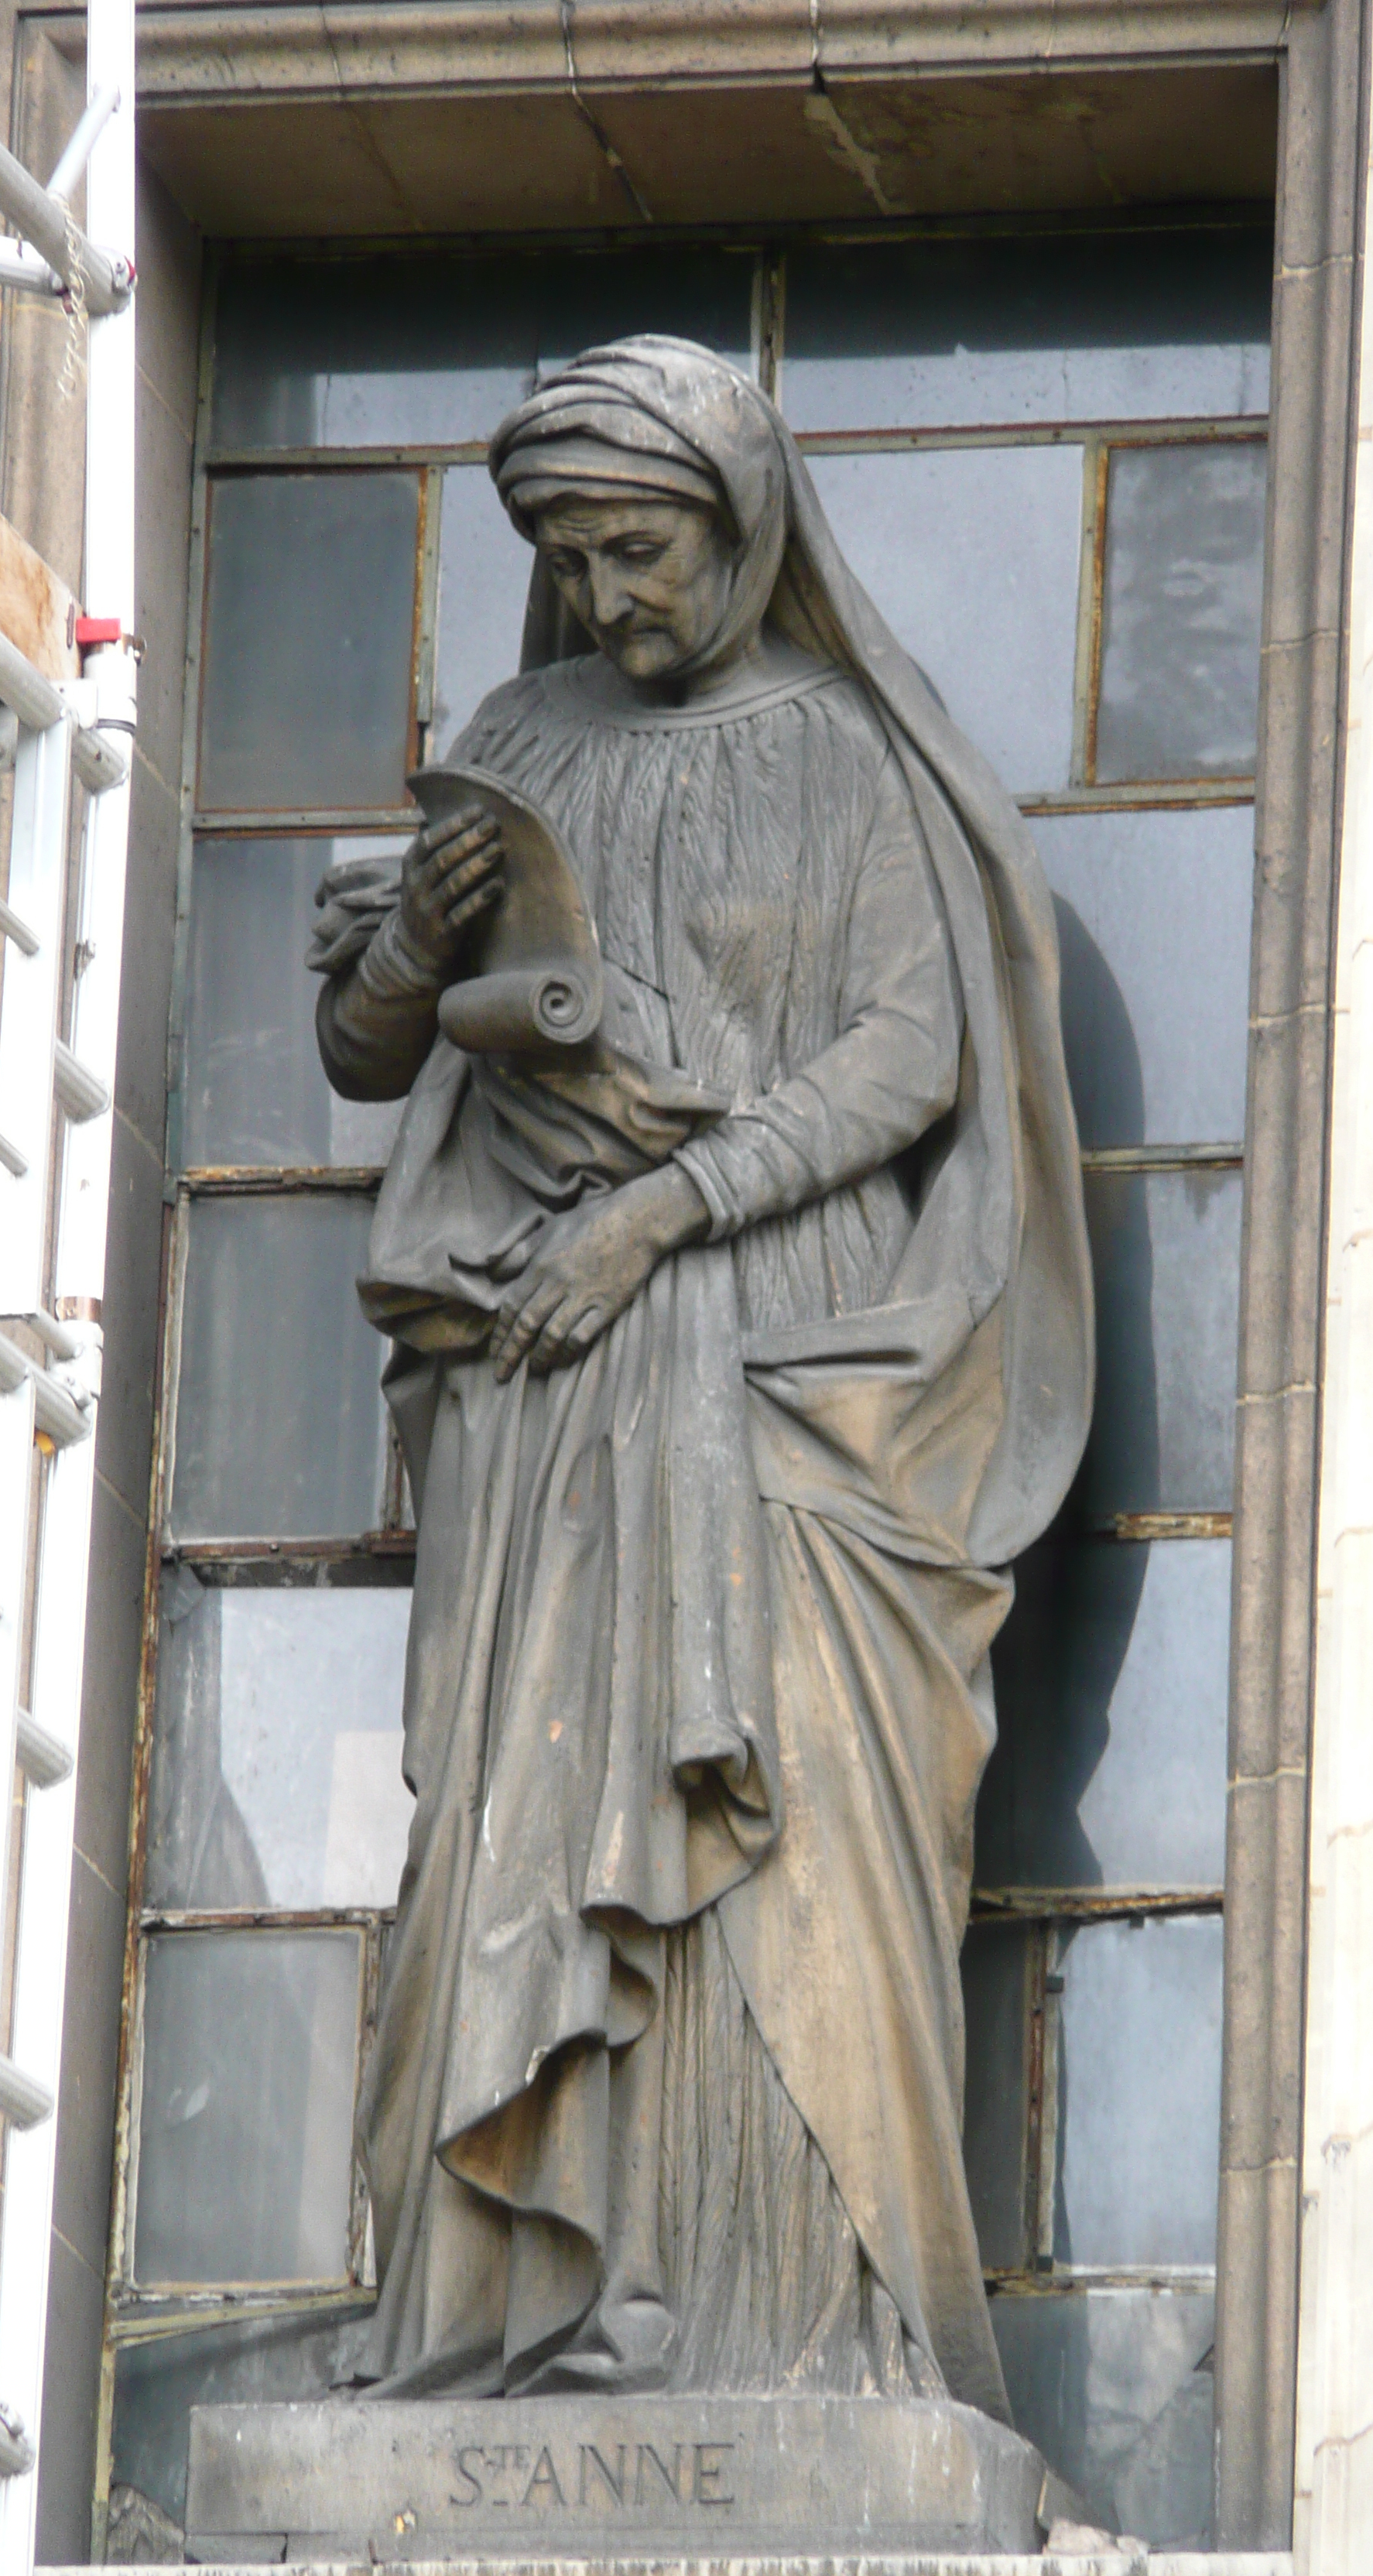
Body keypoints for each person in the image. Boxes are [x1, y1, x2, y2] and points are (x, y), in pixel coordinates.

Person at [310, 334, 1093, 2416]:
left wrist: (669, 1207)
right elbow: (379, 1049)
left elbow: (908, 1058)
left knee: (785, 1839)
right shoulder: (518, 737)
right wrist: (418, 951)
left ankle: (794, 2335)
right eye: (572, 560)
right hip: (544, 1376)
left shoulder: (841, 753)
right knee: (520, 1819)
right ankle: (514, 2314)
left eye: (641, 548)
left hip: (773, 1342)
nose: (613, 597)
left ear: (740, 530)